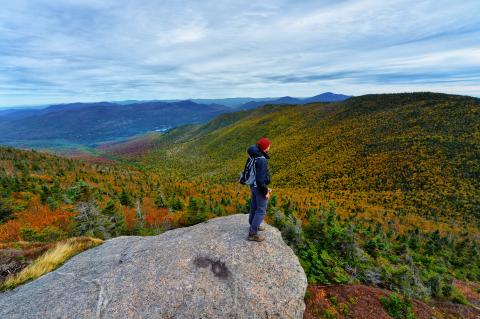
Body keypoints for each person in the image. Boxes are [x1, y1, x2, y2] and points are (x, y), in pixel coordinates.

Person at [247, 137, 272, 242]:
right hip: (259, 187)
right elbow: (260, 180)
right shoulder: (262, 160)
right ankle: (252, 234)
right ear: (265, 148)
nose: (270, 147)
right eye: (269, 145)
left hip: (252, 185)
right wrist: (266, 191)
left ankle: (253, 225)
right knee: (261, 210)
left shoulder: (254, 155)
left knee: (254, 207)